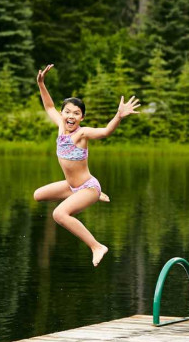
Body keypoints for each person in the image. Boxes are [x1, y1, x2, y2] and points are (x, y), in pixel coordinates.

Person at [33, 64, 140, 267]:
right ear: (62, 114)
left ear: (82, 117)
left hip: (87, 186)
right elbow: (48, 106)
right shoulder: (60, 127)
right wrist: (41, 84)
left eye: (76, 113)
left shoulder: (82, 134)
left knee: (59, 214)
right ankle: (92, 197)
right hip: (71, 185)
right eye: (67, 112)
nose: (70, 116)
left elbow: (106, 132)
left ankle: (96, 246)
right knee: (37, 195)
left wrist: (118, 116)